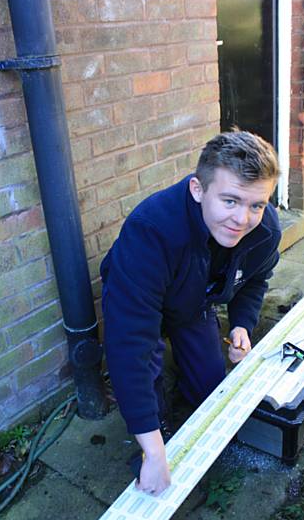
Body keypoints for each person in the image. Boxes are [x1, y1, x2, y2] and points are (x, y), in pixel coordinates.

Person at [100, 130, 281, 496]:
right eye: (229, 201)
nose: (242, 219)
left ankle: (188, 371)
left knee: (211, 387)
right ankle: (156, 432)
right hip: (141, 300)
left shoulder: (264, 231)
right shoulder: (150, 232)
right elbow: (128, 345)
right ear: (198, 190)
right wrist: (153, 452)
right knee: (145, 368)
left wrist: (243, 324)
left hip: (194, 299)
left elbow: (254, 280)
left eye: (256, 205)